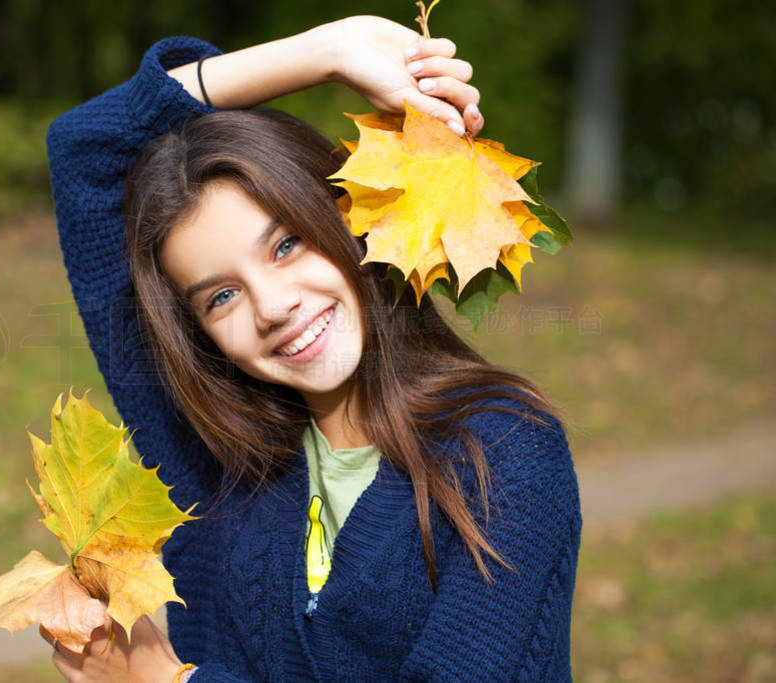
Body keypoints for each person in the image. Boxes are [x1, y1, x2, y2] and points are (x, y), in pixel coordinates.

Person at [41, 15, 581, 682]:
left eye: (286, 245)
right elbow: (84, 151)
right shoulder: (214, 470)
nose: (273, 305)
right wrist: (325, 51)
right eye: (220, 297)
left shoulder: (503, 454)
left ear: (347, 221)